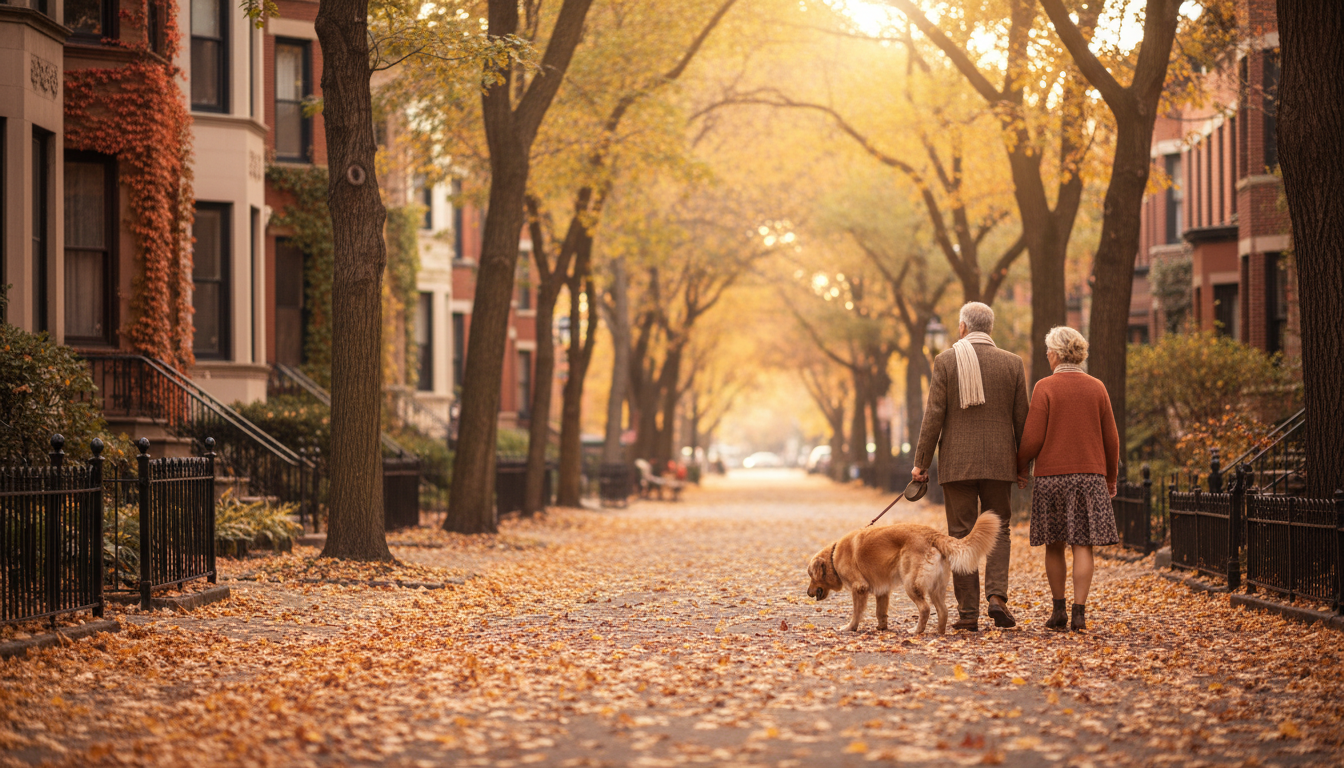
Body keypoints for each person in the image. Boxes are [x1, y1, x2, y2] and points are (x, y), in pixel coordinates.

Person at [913, 302, 1028, 631]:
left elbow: (933, 415)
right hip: (999, 462)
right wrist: (1022, 467)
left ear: (963, 328)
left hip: (958, 464)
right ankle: (997, 597)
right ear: (989, 329)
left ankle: (967, 614)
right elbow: (1023, 421)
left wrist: (921, 464)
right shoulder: (1012, 364)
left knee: (961, 537)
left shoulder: (946, 361)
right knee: (1000, 529)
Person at [1016, 326, 1119, 633]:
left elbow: (1032, 438)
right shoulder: (1097, 387)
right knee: (1083, 545)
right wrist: (1110, 477)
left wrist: (1021, 466)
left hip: (1052, 478)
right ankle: (1079, 612)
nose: (1047, 355)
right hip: (1090, 477)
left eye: (1049, 350)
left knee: (1055, 545)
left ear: (1056, 354)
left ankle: (1058, 610)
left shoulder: (1045, 387)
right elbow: (1111, 439)